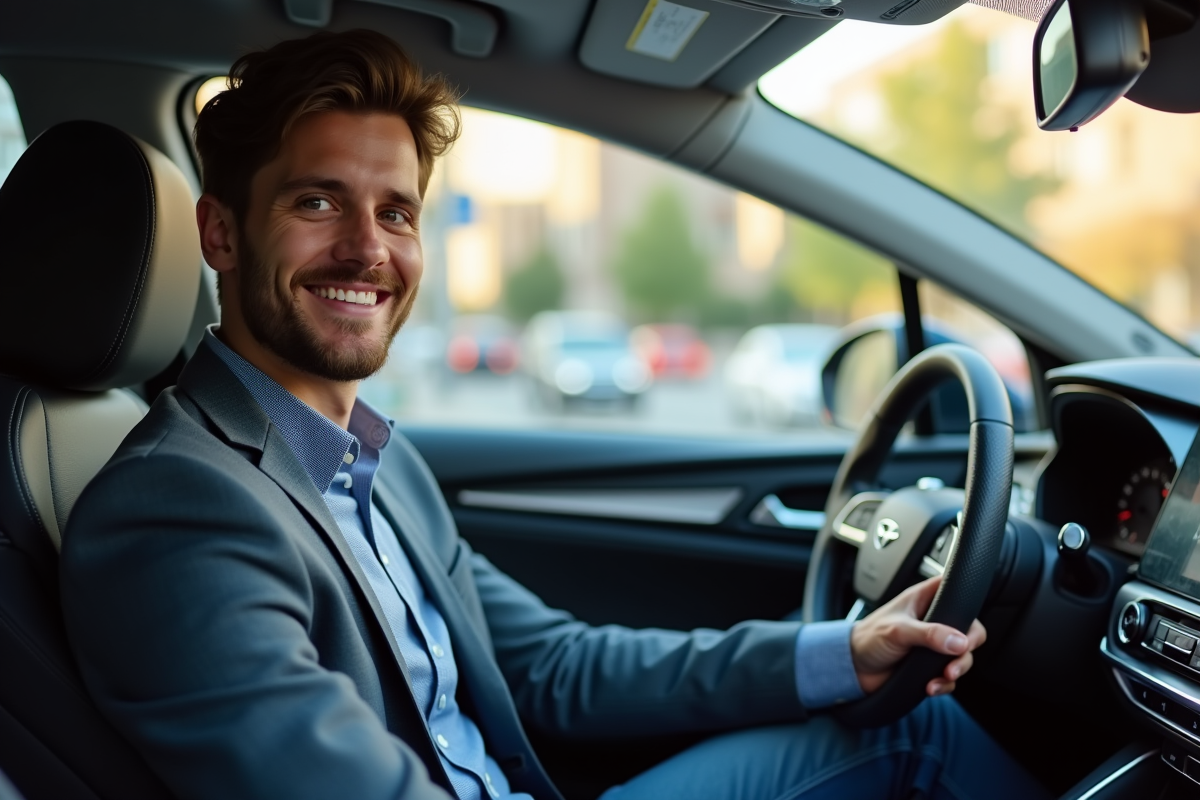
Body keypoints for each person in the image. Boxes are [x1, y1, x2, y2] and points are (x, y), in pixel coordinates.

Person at [59, 29, 1050, 800]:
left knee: (895, 721)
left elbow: (554, 667)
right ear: (222, 232)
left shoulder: (367, 460)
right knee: (919, 741)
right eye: (317, 203)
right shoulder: (177, 509)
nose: (369, 249)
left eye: (397, 211)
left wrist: (846, 648)